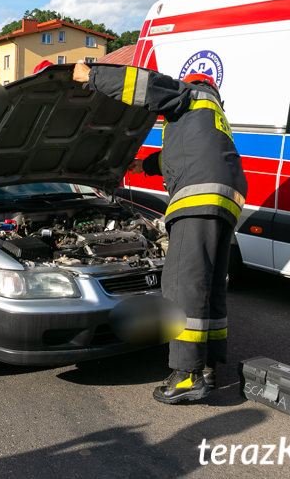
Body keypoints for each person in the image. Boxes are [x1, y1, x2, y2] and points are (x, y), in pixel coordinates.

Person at [73, 61, 247, 404]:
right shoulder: (210, 113)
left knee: (183, 283)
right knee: (208, 284)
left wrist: (90, 76)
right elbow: (186, 152)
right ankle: (207, 363)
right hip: (227, 198)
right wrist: (145, 166)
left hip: (199, 196)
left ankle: (186, 376)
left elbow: (144, 84)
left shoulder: (189, 93)